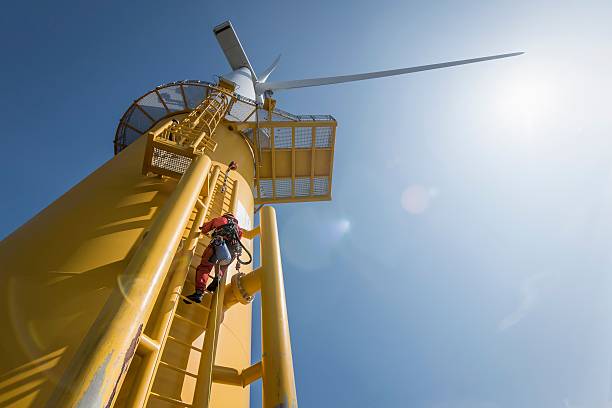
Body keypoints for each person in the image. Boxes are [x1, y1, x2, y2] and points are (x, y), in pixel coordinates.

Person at [184, 212, 242, 304]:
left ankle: (199, 293)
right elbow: (239, 242)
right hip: (232, 252)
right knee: (222, 268)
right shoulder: (239, 229)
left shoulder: (219, 219)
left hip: (217, 245)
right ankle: (218, 278)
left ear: (225, 215)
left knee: (205, 267)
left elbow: (204, 229)